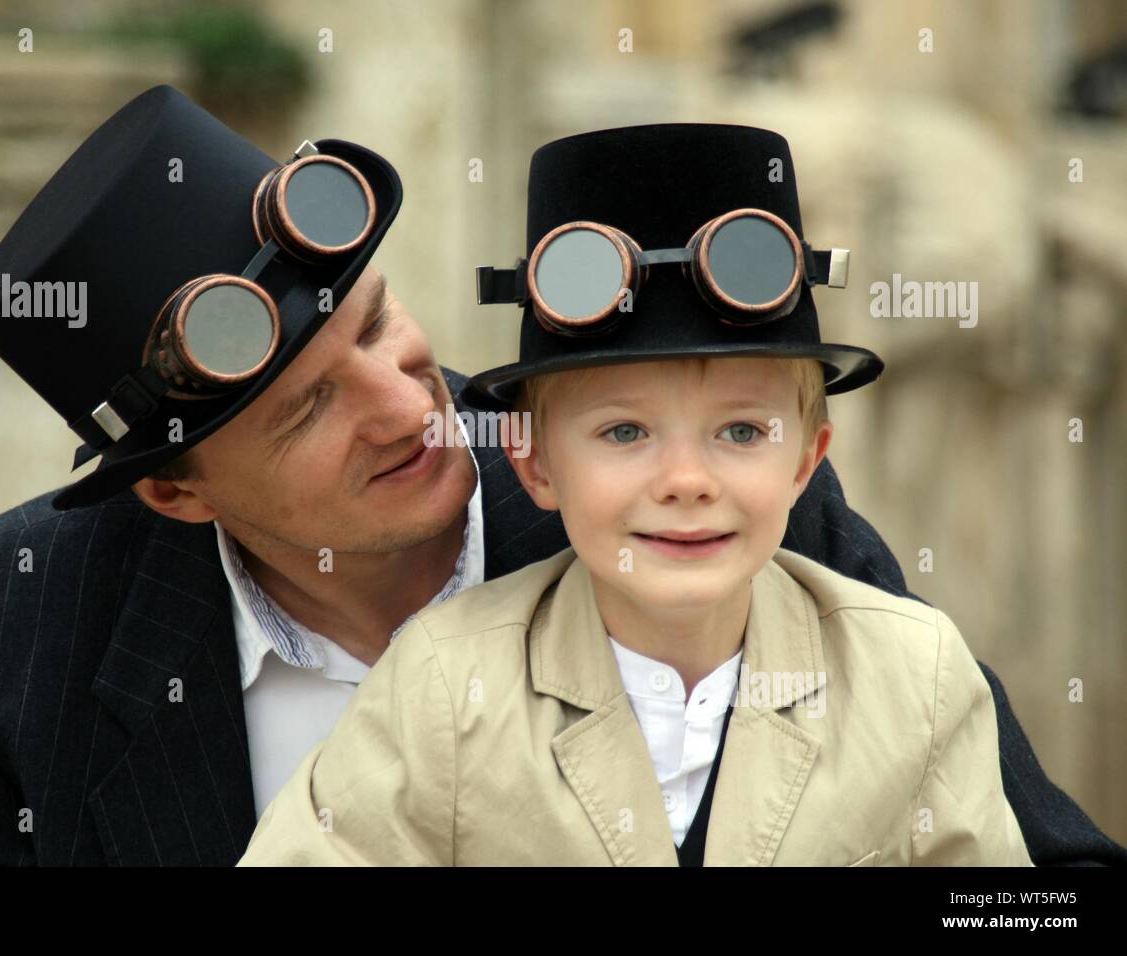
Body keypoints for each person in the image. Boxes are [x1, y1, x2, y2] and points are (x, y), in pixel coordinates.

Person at [0, 91, 1121, 866]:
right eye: (309, 404)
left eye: (373, 323)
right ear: (179, 491)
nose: (412, 402)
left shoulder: (686, 502)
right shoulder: (5, 619)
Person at [237, 126, 1061, 865]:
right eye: (624, 433)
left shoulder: (915, 673)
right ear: (532, 464)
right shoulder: (444, 686)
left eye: (741, 432)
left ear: (808, 461)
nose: (687, 482)